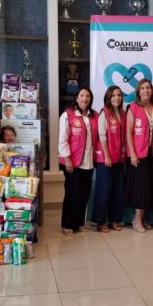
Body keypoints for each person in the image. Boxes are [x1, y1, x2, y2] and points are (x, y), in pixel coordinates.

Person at [124, 79, 153, 232]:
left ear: (151, 91)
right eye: (143, 88)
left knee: (149, 187)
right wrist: (133, 154)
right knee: (140, 187)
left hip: (152, 153)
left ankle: (143, 217)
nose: (146, 90)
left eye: (148, 88)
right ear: (138, 92)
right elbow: (128, 133)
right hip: (138, 154)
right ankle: (136, 219)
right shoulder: (133, 108)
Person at [58, 87, 97, 236]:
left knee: (84, 194)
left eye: (87, 96)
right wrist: (67, 159)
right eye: (82, 96)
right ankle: (67, 224)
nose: (84, 99)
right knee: (72, 193)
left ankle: (79, 222)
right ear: (76, 98)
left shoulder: (94, 116)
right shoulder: (67, 115)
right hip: (72, 162)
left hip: (88, 162)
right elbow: (63, 139)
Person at [92, 86, 127, 233]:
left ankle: (114, 219)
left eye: (119, 95)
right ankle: (100, 221)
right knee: (104, 189)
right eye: (113, 95)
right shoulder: (104, 113)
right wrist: (106, 155)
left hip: (119, 158)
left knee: (117, 190)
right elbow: (102, 136)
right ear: (108, 97)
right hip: (105, 159)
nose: (116, 98)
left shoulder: (123, 114)